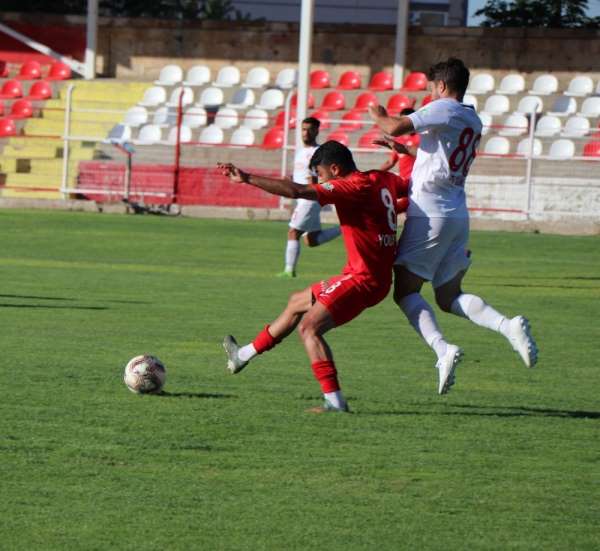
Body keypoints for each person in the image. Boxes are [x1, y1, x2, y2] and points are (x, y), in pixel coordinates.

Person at [369, 57, 538, 395]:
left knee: (404, 292)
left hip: (429, 213)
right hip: (457, 213)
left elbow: (392, 125)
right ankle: (508, 326)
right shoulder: (472, 118)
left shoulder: (442, 107)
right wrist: (404, 151)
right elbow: (439, 161)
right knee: (448, 296)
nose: (432, 92)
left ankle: (442, 349)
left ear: (442, 87)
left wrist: (377, 112)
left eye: (433, 87)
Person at [218, 141, 401, 413]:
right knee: (296, 302)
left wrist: (247, 178)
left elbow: (296, 190)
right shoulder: (379, 178)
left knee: (309, 328)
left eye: (321, 174)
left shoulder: (349, 186)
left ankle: (335, 402)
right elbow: (409, 189)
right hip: (366, 276)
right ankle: (242, 355)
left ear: (335, 169)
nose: (319, 181)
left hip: (363, 280)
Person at [277, 117, 341, 278]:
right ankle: (345, 228)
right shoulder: (301, 152)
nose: (305, 133)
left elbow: (316, 179)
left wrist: (311, 187)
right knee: (311, 240)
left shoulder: (317, 153)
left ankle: (288, 270)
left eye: (309, 130)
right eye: (303, 129)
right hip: (303, 198)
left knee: (293, 232)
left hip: (309, 199)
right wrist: (290, 182)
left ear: (317, 131)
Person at [378, 107, 419, 182]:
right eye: (401, 121)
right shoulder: (398, 140)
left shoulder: (421, 138)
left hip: (419, 181)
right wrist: (375, 174)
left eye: (407, 121)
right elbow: (391, 162)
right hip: (404, 181)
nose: (404, 124)